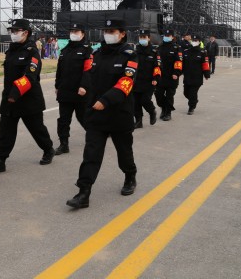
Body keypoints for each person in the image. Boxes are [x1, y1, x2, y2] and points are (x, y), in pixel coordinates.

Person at [66, 19, 138, 209]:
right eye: (106, 31)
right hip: (96, 114)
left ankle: (130, 176)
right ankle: (84, 192)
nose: (108, 34)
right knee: (91, 154)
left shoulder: (130, 55)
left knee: (124, 152)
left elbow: (126, 82)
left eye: (112, 31)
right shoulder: (97, 54)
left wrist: (106, 100)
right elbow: (89, 80)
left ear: (122, 33)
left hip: (119, 113)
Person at [0, 19, 55, 172]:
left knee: (37, 129)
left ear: (26, 33)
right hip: (10, 99)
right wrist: (10, 95)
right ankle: (0, 160)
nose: (13, 34)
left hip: (28, 99)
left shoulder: (32, 52)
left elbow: (30, 76)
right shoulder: (11, 50)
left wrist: (14, 93)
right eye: (11, 31)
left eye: (16, 31)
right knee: (5, 131)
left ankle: (48, 150)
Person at [54, 23, 93, 155]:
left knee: (83, 117)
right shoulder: (65, 50)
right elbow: (59, 70)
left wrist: (84, 86)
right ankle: (63, 144)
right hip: (65, 91)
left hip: (80, 92)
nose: (73, 34)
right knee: (63, 120)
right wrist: (57, 86)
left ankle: (95, 136)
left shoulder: (87, 50)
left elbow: (88, 71)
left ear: (83, 34)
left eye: (76, 31)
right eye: (72, 31)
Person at [133, 29, 161, 128]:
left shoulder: (154, 52)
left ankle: (152, 111)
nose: (142, 39)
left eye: (144, 37)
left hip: (149, 81)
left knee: (145, 100)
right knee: (136, 102)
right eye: (140, 37)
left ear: (149, 38)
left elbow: (157, 67)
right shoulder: (135, 51)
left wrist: (155, 78)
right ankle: (138, 121)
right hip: (136, 81)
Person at [155, 29, 183, 121]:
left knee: (169, 96)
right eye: (165, 35)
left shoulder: (176, 48)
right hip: (161, 76)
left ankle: (168, 113)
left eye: (168, 36)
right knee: (158, 95)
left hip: (172, 76)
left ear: (172, 37)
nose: (166, 37)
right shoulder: (159, 47)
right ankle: (163, 107)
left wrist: (176, 73)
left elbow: (179, 61)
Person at [182, 35, 211, 115]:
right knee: (186, 93)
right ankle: (194, 100)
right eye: (193, 40)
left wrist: (206, 74)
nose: (194, 42)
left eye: (196, 40)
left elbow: (205, 64)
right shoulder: (186, 51)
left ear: (199, 42)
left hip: (197, 76)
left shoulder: (202, 52)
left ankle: (191, 107)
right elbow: (182, 64)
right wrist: (178, 73)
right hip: (187, 76)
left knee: (193, 93)